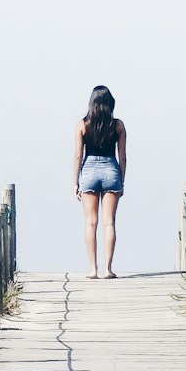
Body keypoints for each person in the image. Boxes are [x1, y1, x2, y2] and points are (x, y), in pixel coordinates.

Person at [74, 85, 126, 279]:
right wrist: (121, 180)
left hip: (89, 170)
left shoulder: (82, 124)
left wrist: (76, 181)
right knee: (109, 223)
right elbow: (123, 156)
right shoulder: (118, 125)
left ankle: (93, 269)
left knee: (90, 223)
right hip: (111, 169)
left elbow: (78, 155)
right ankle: (108, 269)